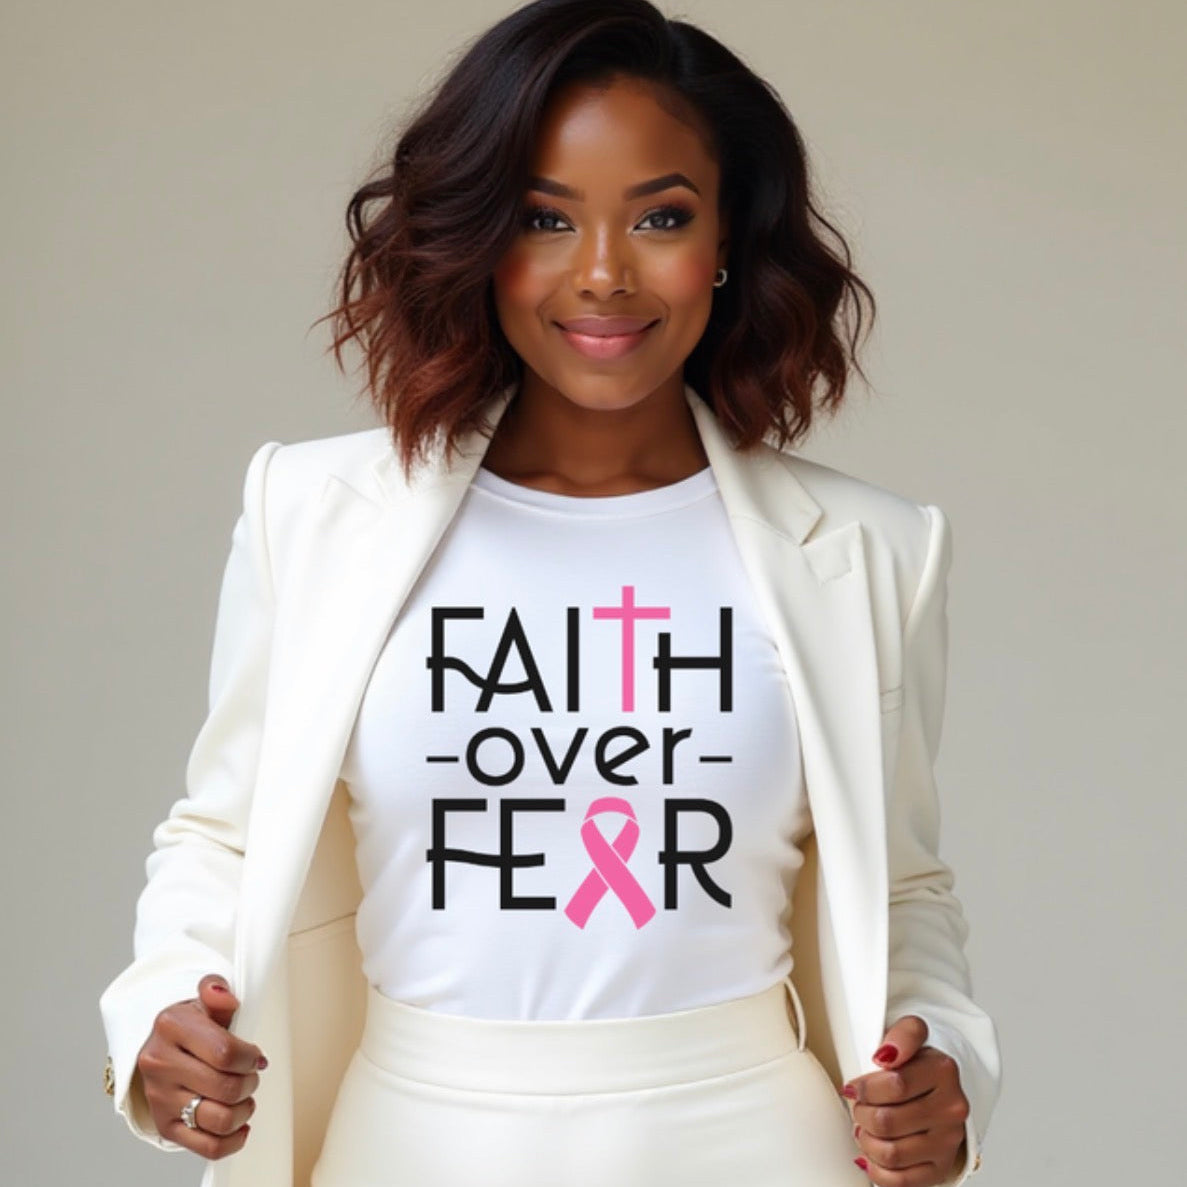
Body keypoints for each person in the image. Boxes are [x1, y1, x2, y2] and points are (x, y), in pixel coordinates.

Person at [99, 2, 1002, 1185]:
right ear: (479, 236)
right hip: (411, 1137)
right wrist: (164, 1012)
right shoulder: (313, 514)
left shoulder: (872, 549)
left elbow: (903, 885)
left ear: (726, 237)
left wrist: (946, 1067)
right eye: (542, 217)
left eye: (661, 216)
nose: (602, 275)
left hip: (749, 1139)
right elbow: (220, 832)